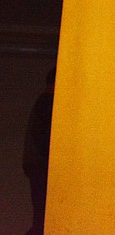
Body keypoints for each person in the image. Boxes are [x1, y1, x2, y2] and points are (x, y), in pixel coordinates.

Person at [22, 66, 55, 235]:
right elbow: (44, 137)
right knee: (44, 215)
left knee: (41, 214)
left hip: (37, 163)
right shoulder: (48, 103)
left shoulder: (43, 102)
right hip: (41, 165)